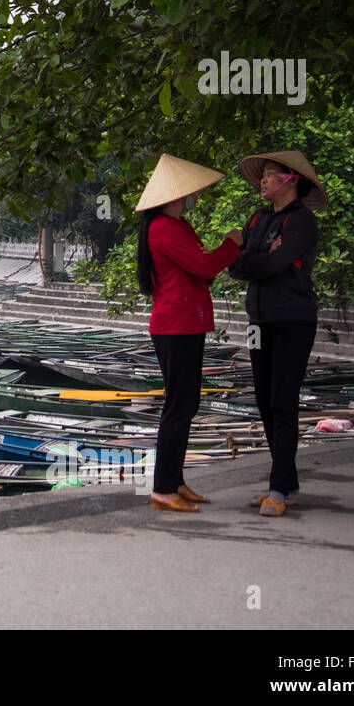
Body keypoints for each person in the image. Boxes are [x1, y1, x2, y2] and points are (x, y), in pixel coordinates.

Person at [135, 154, 242, 513]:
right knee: (178, 407)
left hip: (185, 322)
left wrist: (217, 258)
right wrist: (232, 243)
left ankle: (175, 480)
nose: (193, 197)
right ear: (177, 194)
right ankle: (163, 488)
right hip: (176, 326)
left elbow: (201, 272)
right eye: (189, 192)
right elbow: (206, 264)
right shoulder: (165, 229)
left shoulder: (174, 226)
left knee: (186, 404)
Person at [228, 151, 327, 517]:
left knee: (283, 403)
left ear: (290, 180)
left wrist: (251, 257)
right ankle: (288, 483)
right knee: (265, 402)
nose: (263, 180)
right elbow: (235, 265)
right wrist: (252, 257)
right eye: (263, 175)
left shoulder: (301, 221)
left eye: (271, 175)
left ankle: (278, 489)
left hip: (293, 320)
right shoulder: (259, 217)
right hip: (258, 321)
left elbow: (272, 263)